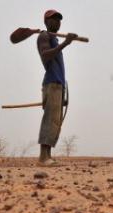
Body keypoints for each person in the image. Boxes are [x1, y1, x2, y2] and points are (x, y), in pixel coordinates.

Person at [37, 10, 78, 165]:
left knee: (55, 121)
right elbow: (46, 55)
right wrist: (65, 43)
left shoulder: (53, 39)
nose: (58, 22)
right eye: (54, 19)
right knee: (50, 119)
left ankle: (48, 155)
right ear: (46, 22)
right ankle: (43, 157)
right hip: (51, 83)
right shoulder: (44, 36)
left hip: (58, 84)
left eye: (59, 20)